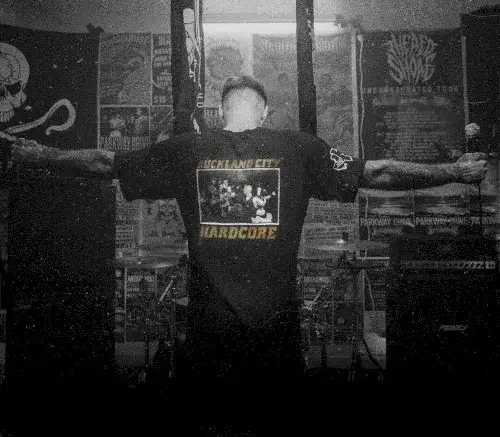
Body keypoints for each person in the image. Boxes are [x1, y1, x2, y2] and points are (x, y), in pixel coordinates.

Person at [2, 75, 489, 410]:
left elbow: (104, 162)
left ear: (220, 111)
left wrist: (39, 153)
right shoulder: (298, 147)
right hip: (274, 322)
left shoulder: (187, 149)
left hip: (209, 325)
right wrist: (454, 171)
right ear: (265, 112)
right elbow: (376, 173)